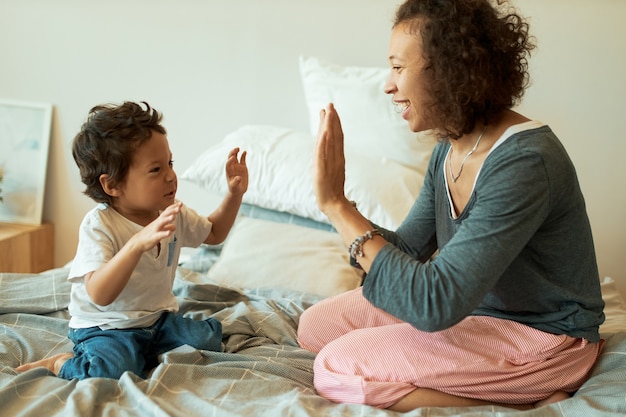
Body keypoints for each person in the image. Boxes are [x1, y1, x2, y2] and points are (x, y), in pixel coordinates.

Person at [297, 0, 605, 412]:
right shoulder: (450, 148)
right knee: (316, 327)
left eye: (398, 68)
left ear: (449, 70)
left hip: (545, 339)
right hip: (474, 315)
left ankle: (520, 401)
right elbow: (406, 250)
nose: (388, 85)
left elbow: (434, 303)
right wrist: (340, 200)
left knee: (334, 368)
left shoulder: (526, 161)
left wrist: (337, 206)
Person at [17, 101, 248, 380]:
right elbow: (100, 294)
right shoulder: (99, 226)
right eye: (155, 170)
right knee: (110, 371)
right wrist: (137, 244)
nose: (171, 175)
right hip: (106, 326)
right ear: (112, 185)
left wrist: (234, 195)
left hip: (156, 319)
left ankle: (144, 349)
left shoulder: (172, 212)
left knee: (211, 339)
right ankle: (60, 363)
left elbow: (213, 233)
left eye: (170, 163)